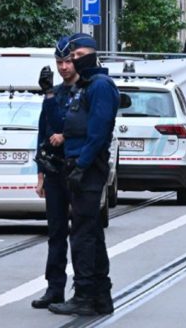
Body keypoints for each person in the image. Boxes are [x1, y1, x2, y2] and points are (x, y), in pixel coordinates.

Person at [48, 33, 120, 317]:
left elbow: (99, 131)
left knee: (82, 235)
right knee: (89, 232)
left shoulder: (100, 86)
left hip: (87, 166)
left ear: (90, 54)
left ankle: (85, 294)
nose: (72, 63)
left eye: (76, 57)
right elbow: (68, 124)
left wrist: (82, 165)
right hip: (78, 163)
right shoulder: (85, 86)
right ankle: (99, 294)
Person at [31, 37, 78, 309]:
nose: (63, 68)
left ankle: (81, 287)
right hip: (53, 170)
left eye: (68, 61)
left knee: (81, 232)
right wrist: (39, 173)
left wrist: (49, 96)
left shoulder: (79, 92)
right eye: (59, 62)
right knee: (56, 231)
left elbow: (64, 124)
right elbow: (44, 130)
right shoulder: (57, 92)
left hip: (76, 169)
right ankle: (54, 287)